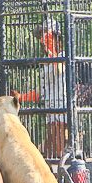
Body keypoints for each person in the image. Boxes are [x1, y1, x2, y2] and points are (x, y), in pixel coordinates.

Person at [14, 18, 67, 159]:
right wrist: (22, 98)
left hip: (62, 107)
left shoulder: (63, 56)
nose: (42, 40)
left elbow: (61, 70)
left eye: (46, 36)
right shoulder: (46, 61)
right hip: (50, 107)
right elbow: (43, 91)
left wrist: (52, 52)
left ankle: (63, 170)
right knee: (49, 146)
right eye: (42, 37)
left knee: (58, 143)